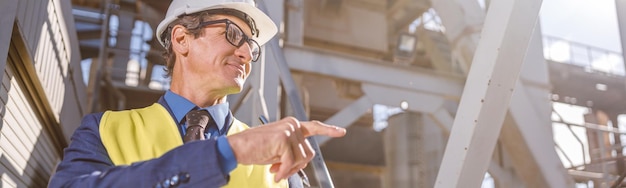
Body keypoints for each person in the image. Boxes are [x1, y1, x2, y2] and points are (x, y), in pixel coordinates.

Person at [48, 0, 346, 187]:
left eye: (251, 46)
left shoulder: (280, 162)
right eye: (232, 34)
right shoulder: (105, 129)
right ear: (181, 38)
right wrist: (227, 153)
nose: (245, 52)